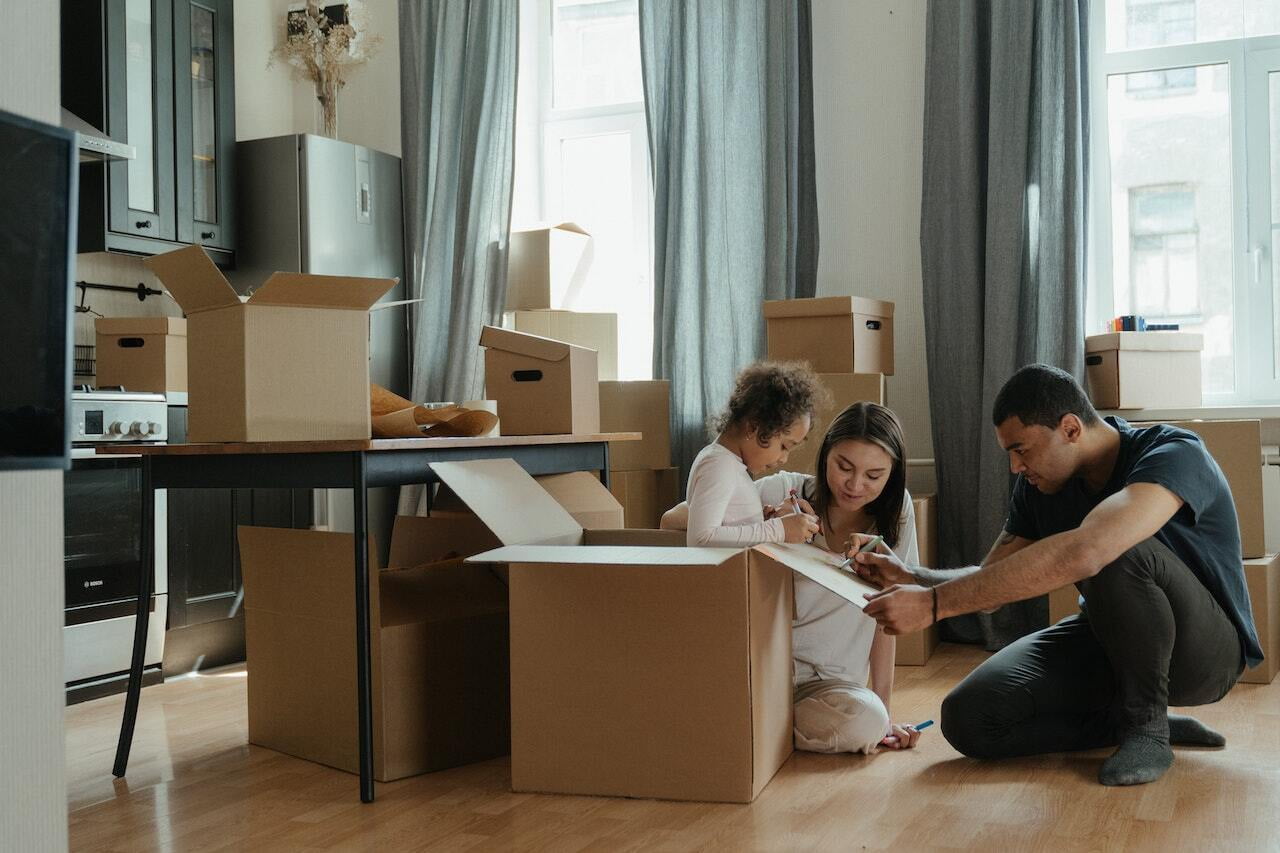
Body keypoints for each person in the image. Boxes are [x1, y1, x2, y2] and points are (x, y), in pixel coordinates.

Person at [856, 364, 1261, 786]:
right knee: (969, 719)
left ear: (1070, 428)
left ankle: (1148, 729)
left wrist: (933, 606)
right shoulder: (1039, 487)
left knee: (1114, 548)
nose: (1015, 467)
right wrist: (913, 578)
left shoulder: (1174, 452)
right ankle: (1126, 721)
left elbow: (1091, 549)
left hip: (1206, 656)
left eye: (1022, 450)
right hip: (1111, 640)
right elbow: (992, 582)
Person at [666, 401, 926, 754]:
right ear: (825, 455)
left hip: (829, 687)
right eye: (843, 467)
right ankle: (755, 724)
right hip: (761, 671)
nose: (854, 485)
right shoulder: (783, 490)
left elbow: (888, 616)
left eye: (874, 476)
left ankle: (751, 726)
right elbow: (673, 520)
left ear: (892, 475)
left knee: (867, 721)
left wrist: (885, 714)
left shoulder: (898, 515)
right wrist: (769, 524)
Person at [684, 361, 823, 547]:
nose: (784, 458)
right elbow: (701, 539)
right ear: (754, 426)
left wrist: (760, 522)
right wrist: (778, 529)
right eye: (784, 446)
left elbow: (728, 529)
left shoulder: (729, 464)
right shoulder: (718, 465)